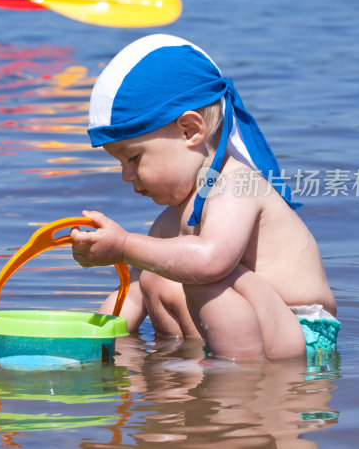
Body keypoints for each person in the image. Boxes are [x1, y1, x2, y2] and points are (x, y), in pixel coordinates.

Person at [70, 34, 339, 362]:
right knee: (155, 269)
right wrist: (90, 344)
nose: (126, 175)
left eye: (134, 158)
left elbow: (211, 260)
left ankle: (232, 371)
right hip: (250, 332)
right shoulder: (168, 222)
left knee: (200, 270)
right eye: (120, 162)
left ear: (190, 131)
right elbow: (131, 298)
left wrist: (125, 247)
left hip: (301, 332)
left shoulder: (236, 184)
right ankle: (191, 362)